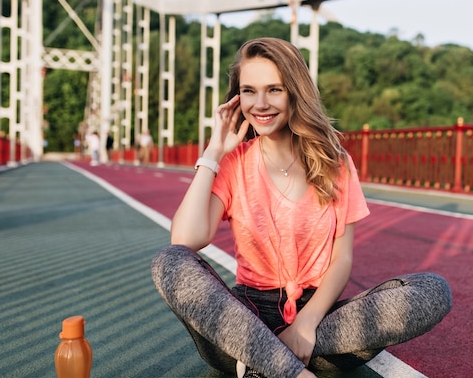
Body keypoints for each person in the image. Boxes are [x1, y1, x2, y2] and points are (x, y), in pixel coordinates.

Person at [151, 38, 452, 378]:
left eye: (274, 89)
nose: (260, 104)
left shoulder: (334, 162)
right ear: (237, 99)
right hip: (243, 323)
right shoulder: (235, 164)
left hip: (319, 325)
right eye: (249, 91)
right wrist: (213, 153)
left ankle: (264, 365)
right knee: (170, 260)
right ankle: (289, 370)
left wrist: (306, 325)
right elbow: (186, 239)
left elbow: (342, 259)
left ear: (294, 91)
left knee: (432, 290)